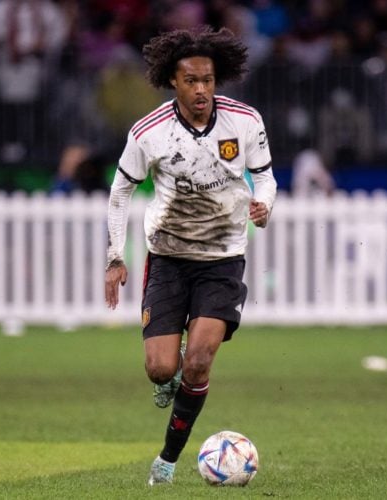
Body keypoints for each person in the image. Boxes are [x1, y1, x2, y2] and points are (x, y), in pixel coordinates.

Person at [103, 26, 276, 486]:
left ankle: (168, 458)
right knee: (162, 367)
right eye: (191, 81)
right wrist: (114, 257)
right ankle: (169, 372)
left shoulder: (245, 121)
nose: (201, 90)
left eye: (208, 80)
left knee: (198, 361)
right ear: (173, 82)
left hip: (222, 258)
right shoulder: (149, 133)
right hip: (168, 258)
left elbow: (267, 177)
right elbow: (121, 192)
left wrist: (265, 205)